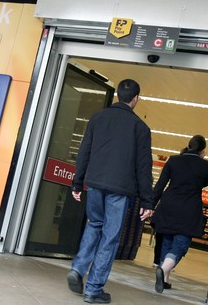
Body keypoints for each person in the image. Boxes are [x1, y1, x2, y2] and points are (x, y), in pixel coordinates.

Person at [66, 78, 154, 304]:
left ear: (117, 96)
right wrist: (147, 201)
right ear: (136, 99)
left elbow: (84, 150)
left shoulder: (98, 118)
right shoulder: (140, 128)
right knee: (110, 236)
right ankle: (94, 289)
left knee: (94, 224)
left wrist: (78, 183)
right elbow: (144, 167)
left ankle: (78, 268)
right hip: (120, 189)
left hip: (95, 183)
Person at [152, 134, 208, 293]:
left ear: (189, 145)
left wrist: (150, 205)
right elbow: (205, 182)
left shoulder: (173, 160)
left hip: (169, 205)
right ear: (202, 150)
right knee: (181, 243)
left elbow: (160, 184)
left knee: (167, 240)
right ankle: (163, 269)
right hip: (189, 208)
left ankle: (164, 280)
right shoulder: (206, 165)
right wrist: (201, 159)